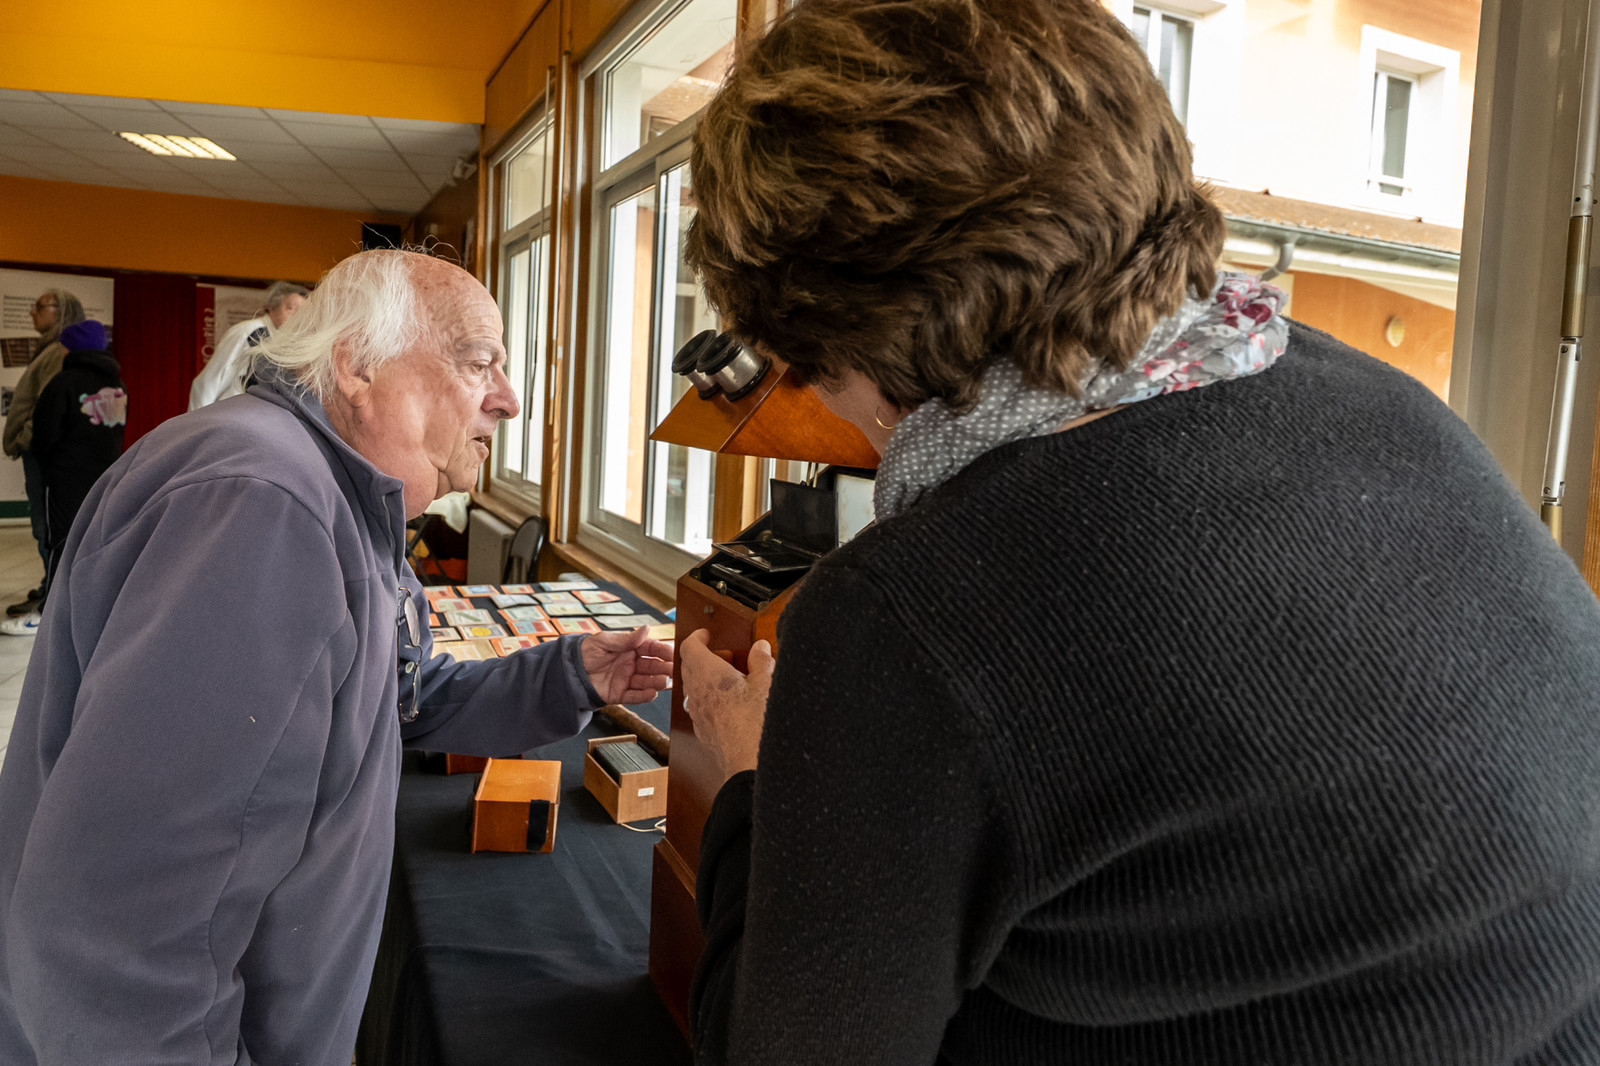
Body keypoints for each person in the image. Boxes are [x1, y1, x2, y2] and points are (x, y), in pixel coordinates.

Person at [675, 0, 1600, 1062]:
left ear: (838, 331)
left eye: (810, 368)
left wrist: (758, 786)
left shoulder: (909, 611)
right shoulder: (1388, 405)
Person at [0, 250, 674, 1064]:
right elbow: (124, 926)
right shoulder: (265, 504)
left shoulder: (329, 488)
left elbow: (389, 697)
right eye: (479, 362)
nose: (510, 399)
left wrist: (569, 675)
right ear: (357, 365)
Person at [0, 320, 126, 636]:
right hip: (104, 478)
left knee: (60, 542)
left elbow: (44, 436)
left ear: (70, 348)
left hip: (63, 480)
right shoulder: (118, 385)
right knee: (93, 541)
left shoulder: (63, 383)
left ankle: (47, 614)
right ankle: (90, 608)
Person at [2, 288, 85, 617]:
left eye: (39, 307)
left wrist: (26, 439)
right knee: (44, 525)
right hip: (40, 454)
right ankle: (50, 583)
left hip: (43, 455)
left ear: (60, 311)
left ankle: (53, 595)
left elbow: (48, 408)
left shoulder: (57, 352)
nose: (32, 313)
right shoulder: (50, 349)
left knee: (45, 526)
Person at [188, 280, 309, 410]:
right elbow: (209, 380)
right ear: (273, 307)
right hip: (229, 413)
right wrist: (197, 423)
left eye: (302, 312)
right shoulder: (248, 332)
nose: (296, 316)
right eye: (291, 308)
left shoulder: (286, 342)